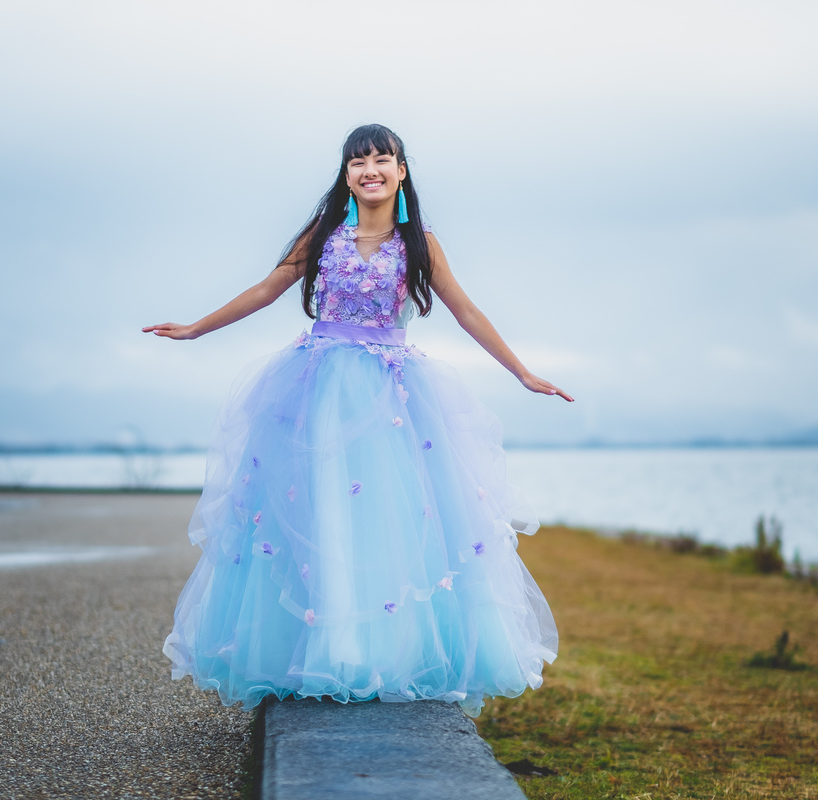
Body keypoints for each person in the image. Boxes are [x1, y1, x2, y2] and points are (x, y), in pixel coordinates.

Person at [144, 124, 572, 717]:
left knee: (384, 521)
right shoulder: (323, 235)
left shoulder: (418, 242)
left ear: (401, 172)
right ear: (346, 175)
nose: (371, 169)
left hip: (391, 397)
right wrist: (195, 327)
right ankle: (326, 647)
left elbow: (465, 309)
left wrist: (522, 372)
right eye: (358, 161)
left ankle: (379, 653)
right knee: (317, 513)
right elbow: (269, 288)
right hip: (316, 387)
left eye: (383, 159)